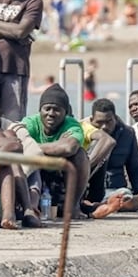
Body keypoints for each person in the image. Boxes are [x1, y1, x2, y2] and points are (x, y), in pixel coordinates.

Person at [21, 84, 89, 219]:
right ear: (40, 110)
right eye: (47, 109)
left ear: (66, 113)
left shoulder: (72, 124)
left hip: (60, 170)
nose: (51, 114)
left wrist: (34, 145)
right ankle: (27, 206)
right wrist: (56, 145)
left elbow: (69, 148)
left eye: (57, 110)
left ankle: (72, 206)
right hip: (36, 170)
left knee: (80, 155)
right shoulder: (30, 123)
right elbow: (19, 145)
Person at [78, 99, 138, 218]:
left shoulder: (127, 133)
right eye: (99, 122)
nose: (104, 127)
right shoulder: (82, 130)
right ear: (91, 120)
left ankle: (107, 205)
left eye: (109, 122)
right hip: (88, 189)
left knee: (128, 197)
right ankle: (100, 205)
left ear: (115, 118)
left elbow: (135, 169)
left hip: (116, 189)